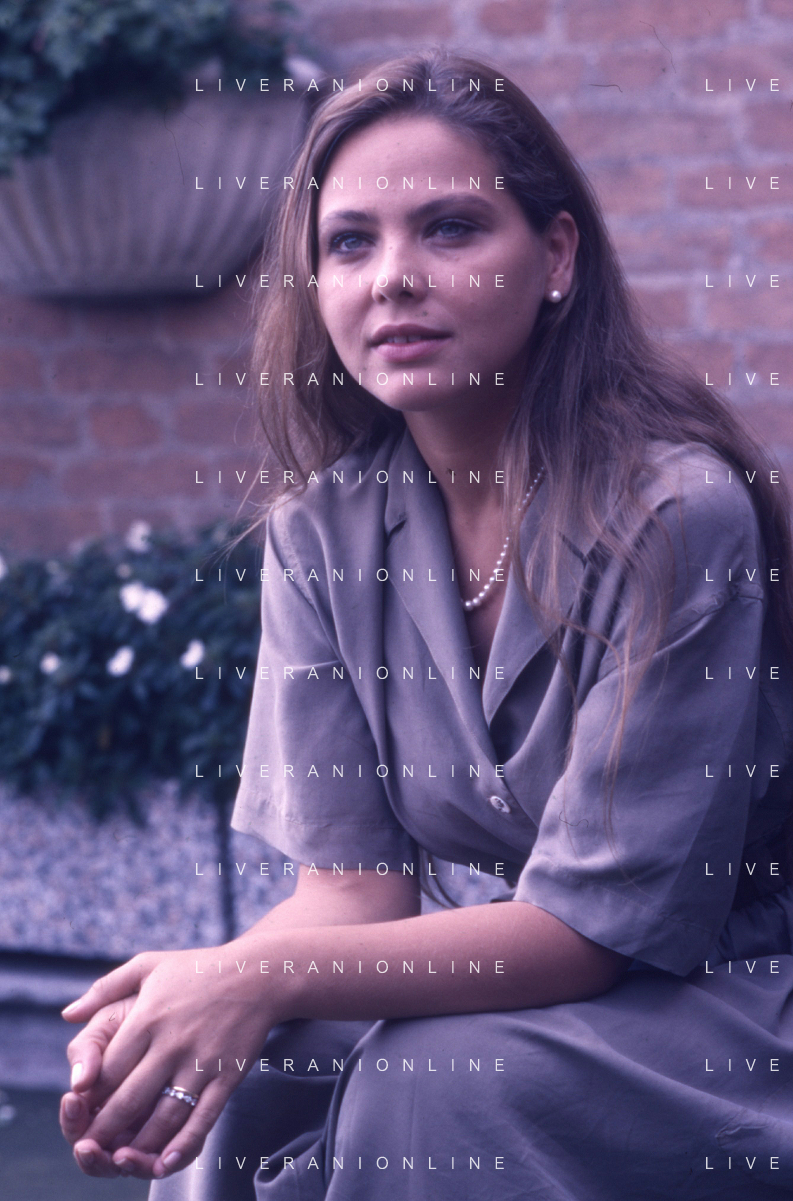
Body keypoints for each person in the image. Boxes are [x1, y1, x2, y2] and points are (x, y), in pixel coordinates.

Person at [58, 50, 793, 1200]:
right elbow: (352, 889)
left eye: (449, 229)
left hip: (716, 994)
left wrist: (256, 977)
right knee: (234, 1075)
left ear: (555, 256)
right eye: (350, 242)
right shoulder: (322, 532)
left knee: (428, 1083)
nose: (393, 279)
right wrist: (194, 994)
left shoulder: (673, 514)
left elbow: (591, 929)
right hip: (497, 965)